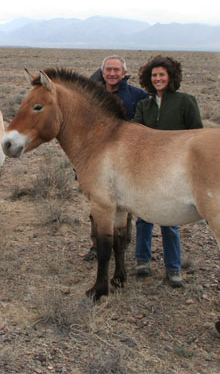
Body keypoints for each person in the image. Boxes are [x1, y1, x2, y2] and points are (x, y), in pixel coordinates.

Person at [132, 55, 203, 287]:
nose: (158, 78)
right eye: (154, 75)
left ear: (170, 77)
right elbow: (136, 136)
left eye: (162, 74)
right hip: (147, 169)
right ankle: (142, 260)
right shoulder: (144, 104)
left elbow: (197, 136)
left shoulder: (186, 101)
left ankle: (173, 268)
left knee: (169, 220)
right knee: (143, 215)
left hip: (175, 171)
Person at [83, 55, 149, 261]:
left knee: (125, 208)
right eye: (108, 70)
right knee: (97, 205)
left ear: (124, 73)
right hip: (96, 160)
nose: (112, 74)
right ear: (102, 72)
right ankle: (97, 245)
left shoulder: (136, 95)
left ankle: (122, 246)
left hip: (127, 162)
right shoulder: (91, 95)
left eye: (117, 70)